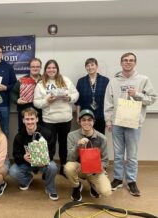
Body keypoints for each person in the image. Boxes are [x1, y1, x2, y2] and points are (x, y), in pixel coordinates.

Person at [104, 52, 157, 197]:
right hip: (117, 123)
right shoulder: (114, 81)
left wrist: (137, 94)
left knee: (132, 154)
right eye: (125, 60)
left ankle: (132, 181)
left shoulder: (143, 79)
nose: (128, 62)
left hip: (134, 123)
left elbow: (152, 99)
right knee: (118, 153)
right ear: (121, 63)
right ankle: (118, 179)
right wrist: (108, 120)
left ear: (135, 63)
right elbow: (108, 102)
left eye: (131, 60)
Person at [33, 59, 79, 176]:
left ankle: (63, 166)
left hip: (65, 118)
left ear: (57, 69)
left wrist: (69, 98)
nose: (51, 70)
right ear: (45, 70)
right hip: (49, 119)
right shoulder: (40, 84)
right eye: (49, 68)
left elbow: (76, 94)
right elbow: (36, 103)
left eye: (54, 68)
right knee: (49, 144)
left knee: (64, 144)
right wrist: (47, 101)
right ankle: (48, 168)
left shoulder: (66, 80)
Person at [9, 107, 58, 201]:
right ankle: (27, 179)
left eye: (32, 119)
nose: (30, 122)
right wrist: (23, 157)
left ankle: (50, 188)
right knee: (13, 171)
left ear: (37, 119)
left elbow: (52, 152)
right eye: (27, 119)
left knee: (53, 167)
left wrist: (45, 160)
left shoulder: (47, 133)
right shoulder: (19, 136)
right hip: (27, 163)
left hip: (43, 163)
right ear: (23, 120)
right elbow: (15, 155)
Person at [65, 109, 112, 201]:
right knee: (68, 167)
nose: (87, 122)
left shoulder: (102, 138)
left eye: (89, 120)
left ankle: (93, 185)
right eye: (84, 120)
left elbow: (105, 160)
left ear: (94, 122)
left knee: (106, 191)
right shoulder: (72, 135)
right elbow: (70, 158)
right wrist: (77, 146)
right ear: (79, 122)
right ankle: (76, 187)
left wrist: (99, 169)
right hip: (80, 168)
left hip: (95, 170)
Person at [76, 58, 109, 134]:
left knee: (99, 138)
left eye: (92, 65)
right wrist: (78, 116)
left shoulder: (105, 80)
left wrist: (108, 118)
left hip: (100, 115)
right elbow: (78, 101)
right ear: (85, 68)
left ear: (97, 66)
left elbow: (108, 100)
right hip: (85, 117)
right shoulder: (81, 81)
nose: (90, 67)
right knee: (86, 139)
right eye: (87, 65)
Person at [11, 57, 43, 131]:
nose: (35, 68)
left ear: (40, 67)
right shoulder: (22, 80)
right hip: (24, 111)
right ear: (29, 67)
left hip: (41, 113)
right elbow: (13, 93)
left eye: (37, 67)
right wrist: (17, 101)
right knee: (23, 133)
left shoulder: (44, 80)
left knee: (40, 133)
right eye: (33, 66)